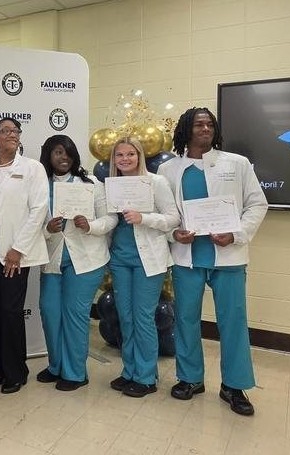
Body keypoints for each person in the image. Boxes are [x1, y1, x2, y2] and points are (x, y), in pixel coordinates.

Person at [157, 107, 267, 416]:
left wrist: (236, 234)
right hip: (187, 259)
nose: (205, 128)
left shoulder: (237, 164)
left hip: (228, 257)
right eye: (198, 124)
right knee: (187, 320)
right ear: (186, 130)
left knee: (232, 322)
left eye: (209, 124)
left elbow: (258, 203)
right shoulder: (170, 170)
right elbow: (168, 215)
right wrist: (174, 234)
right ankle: (190, 379)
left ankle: (234, 385)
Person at [37, 134, 114, 391]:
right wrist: (47, 228)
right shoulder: (41, 185)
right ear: (49, 155)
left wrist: (90, 225)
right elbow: (31, 225)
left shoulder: (91, 183)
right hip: (52, 259)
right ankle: (56, 365)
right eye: (58, 152)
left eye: (68, 152)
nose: (64, 157)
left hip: (86, 261)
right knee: (50, 313)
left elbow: (110, 219)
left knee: (74, 316)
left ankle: (75, 373)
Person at [106, 137, 180, 397]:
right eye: (119, 155)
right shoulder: (113, 186)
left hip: (149, 259)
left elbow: (173, 217)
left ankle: (146, 377)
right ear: (114, 160)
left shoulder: (156, 182)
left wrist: (143, 218)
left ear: (139, 156)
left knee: (142, 317)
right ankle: (130, 371)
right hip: (120, 258)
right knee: (125, 317)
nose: (125, 159)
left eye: (130, 154)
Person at [0, 117, 49, 394]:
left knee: (10, 310)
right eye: (5, 131)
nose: (11, 134)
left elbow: (39, 210)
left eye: (15, 130)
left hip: (16, 249)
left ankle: (16, 371)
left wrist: (17, 249)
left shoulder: (32, 168)